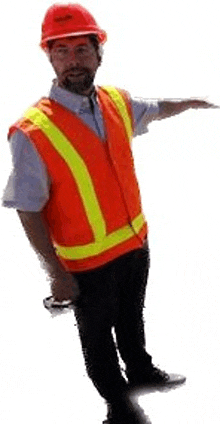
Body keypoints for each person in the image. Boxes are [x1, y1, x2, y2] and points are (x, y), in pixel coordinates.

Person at [2, 4, 217, 424]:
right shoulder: (33, 131)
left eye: (81, 49)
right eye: (61, 52)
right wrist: (56, 274)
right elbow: (27, 210)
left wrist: (193, 102)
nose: (72, 61)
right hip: (86, 263)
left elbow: (154, 107)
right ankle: (120, 407)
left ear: (99, 53)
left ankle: (140, 370)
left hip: (135, 244)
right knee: (98, 340)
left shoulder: (116, 102)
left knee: (132, 318)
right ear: (49, 56)